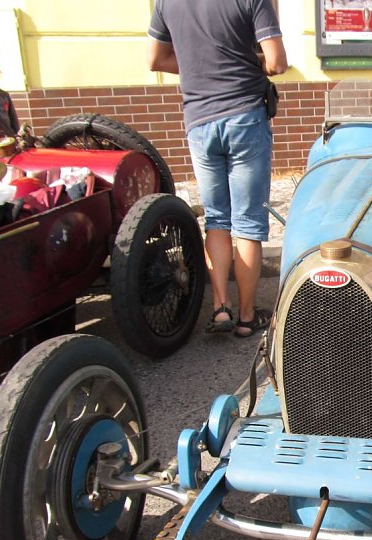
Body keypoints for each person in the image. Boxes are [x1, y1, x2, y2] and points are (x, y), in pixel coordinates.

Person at [148, 0, 288, 338]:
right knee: (248, 221)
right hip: (244, 116)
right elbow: (277, 62)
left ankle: (220, 308)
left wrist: (203, 67)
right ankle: (246, 316)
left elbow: (156, 59)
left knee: (217, 218)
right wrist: (244, 62)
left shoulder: (166, 2)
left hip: (200, 121)